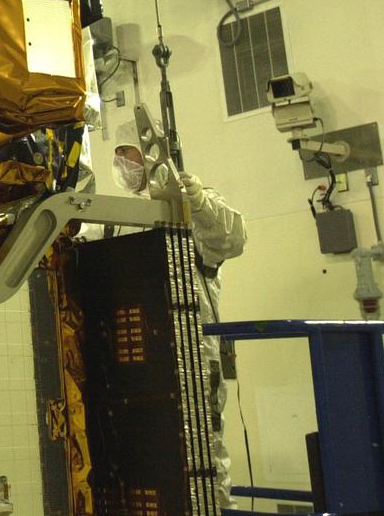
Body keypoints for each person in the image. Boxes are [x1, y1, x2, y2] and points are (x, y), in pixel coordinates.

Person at [110, 119, 247, 509]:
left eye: (129, 153)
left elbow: (231, 239)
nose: (123, 164)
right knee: (149, 459)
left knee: (203, 457)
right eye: (118, 156)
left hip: (195, 355)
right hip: (139, 357)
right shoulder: (116, 217)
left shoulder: (194, 205)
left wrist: (198, 203)